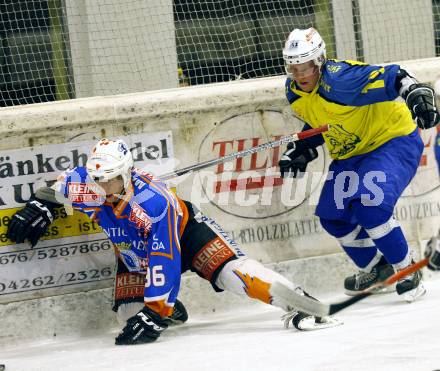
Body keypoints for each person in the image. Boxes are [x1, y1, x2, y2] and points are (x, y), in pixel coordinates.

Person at [6, 138, 341, 345]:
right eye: (97, 180)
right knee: (128, 314)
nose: (102, 187)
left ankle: (301, 302)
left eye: (109, 181)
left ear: (126, 175)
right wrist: (42, 205)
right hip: (133, 252)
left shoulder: (154, 202)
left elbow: (164, 256)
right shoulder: (86, 183)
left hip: (185, 235)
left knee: (232, 274)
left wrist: (156, 310)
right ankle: (171, 310)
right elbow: (55, 186)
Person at [278, 28, 439, 302]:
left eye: (305, 67)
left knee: (370, 205)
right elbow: (324, 119)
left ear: (319, 62)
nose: (299, 75)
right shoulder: (294, 91)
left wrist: (416, 92)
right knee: (334, 216)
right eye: (293, 68)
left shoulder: (342, 79)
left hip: (390, 140)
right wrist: (302, 147)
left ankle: (407, 270)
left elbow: (395, 76)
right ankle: (378, 268)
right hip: (353, 152)